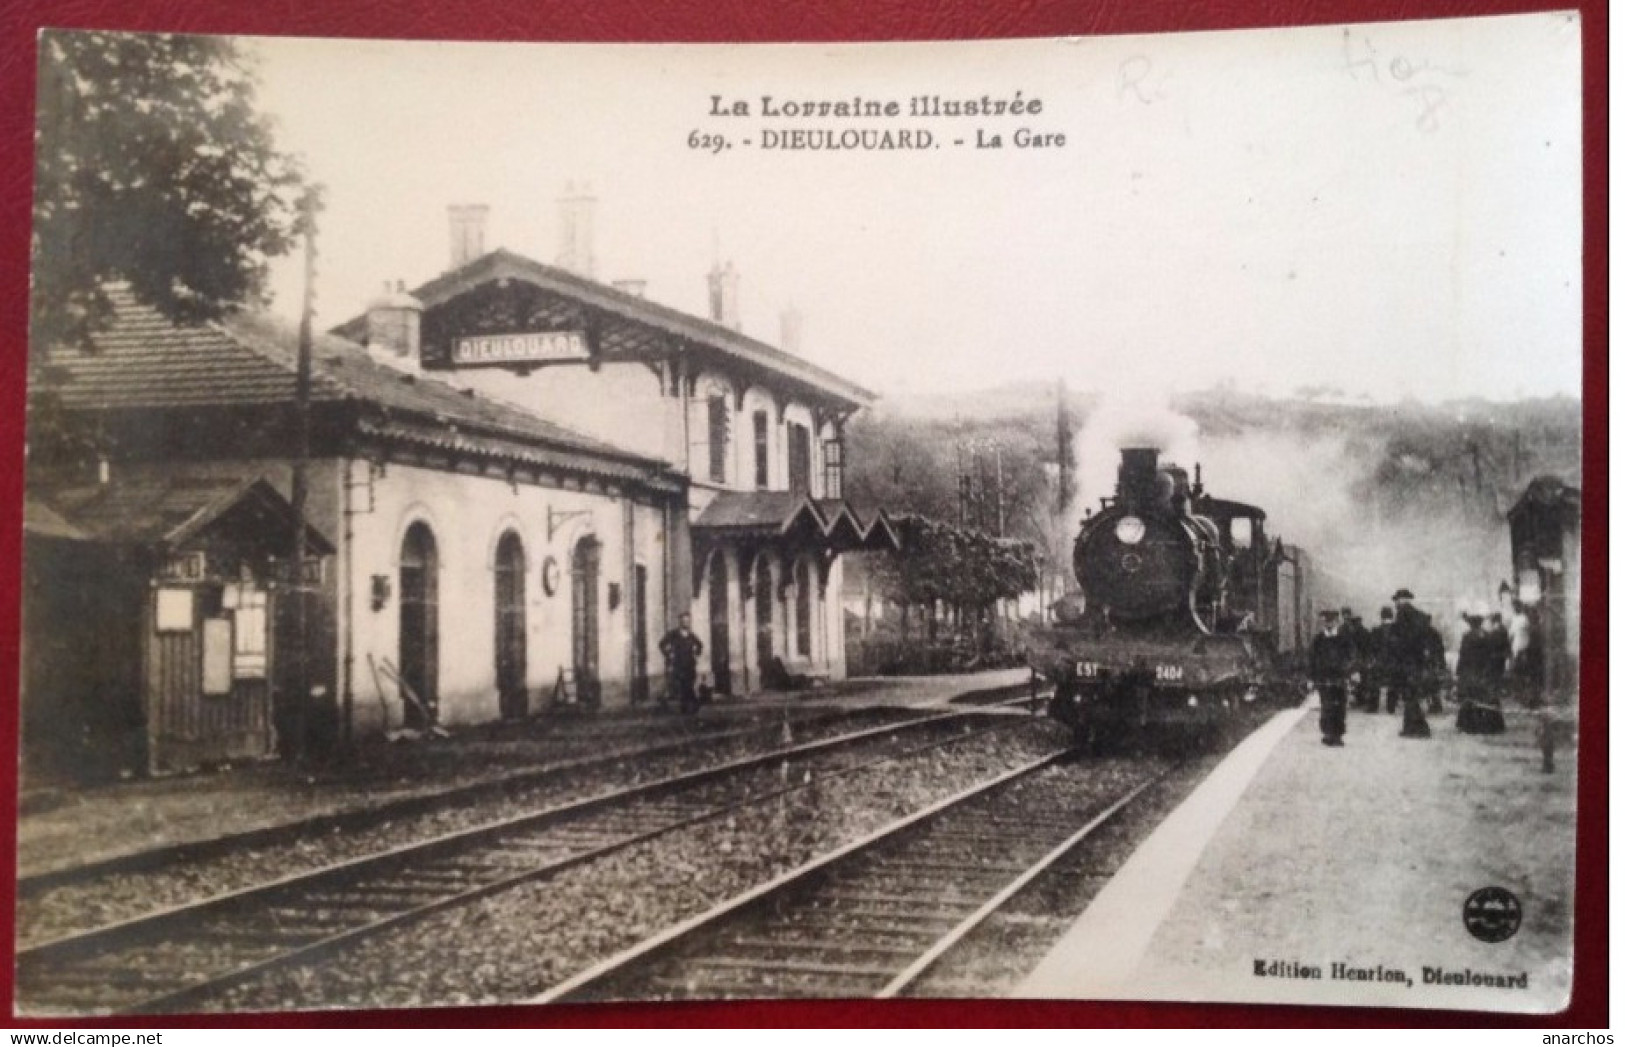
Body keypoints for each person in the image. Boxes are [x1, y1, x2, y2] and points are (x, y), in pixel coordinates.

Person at [1388, 588, 1437, 738]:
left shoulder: (1402, 614)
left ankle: (1415, 728)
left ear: (1401, 600)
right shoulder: (1421, 616)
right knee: (1414, 693)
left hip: (1406, 660)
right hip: (1419, 660)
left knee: (1409, 694)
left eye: (1396, 600)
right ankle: (1415, 726)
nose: (1395, 603)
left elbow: (1400, 640)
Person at [1308, 608, 1354, 747]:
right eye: (1326, 622)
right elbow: (1312, 660)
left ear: (1336, 622)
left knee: (1340, 706)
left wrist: (1351, 672)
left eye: (1332, 622)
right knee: (1326, 706)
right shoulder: (1318, 640)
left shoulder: (1344, 639)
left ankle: (1338, 735)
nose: (1329, 624)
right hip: (1324, 678)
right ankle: (1328, 734)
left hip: (1340, 677)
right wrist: (1311, 678)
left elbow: (1351, 656)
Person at [1454, 613, 1506, 734]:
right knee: (1486, 696)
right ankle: (1493, 724)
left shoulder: (1467, 636)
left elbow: (1463, 655)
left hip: (1471, 669)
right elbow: (1491, 653)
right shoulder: (1487, 635)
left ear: (1471, 624)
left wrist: (1459, 670)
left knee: (1470, 696)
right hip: (1485, 669)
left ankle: (1469, 725)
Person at [658, 613, 705, 714]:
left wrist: (696, 653)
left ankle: (691, 705)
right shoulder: (673, 634)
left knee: (689, 685)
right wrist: (668, 654)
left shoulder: (691, 635)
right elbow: (662, 644)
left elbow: (700, 645)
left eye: (688, 621)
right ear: (680, 622)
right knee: (683, 685)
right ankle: (688, 706)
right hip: (678, 664)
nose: (686, 623)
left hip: (690, 664)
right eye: (684, 621)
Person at [1371, 606, 1397, 713]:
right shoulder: (1397, 630)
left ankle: (1373, 706)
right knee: (1392, 684)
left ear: (1381, 617)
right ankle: (1391, 707)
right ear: (1392, 616)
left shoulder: (1376, 630)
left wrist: (1373, 658)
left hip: (1379, 660)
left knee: (1375, 683)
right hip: (1393, 661)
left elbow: (1372, 646)